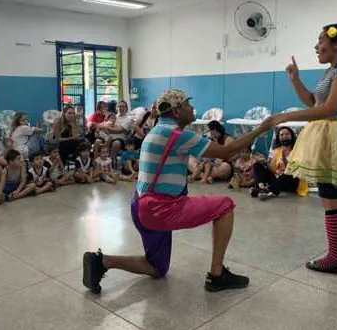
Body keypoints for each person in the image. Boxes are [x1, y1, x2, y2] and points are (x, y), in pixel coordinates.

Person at [82, 89, 272, 294]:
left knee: (157, 268)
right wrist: (262, 128)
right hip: (162, 208)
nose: (193, 108)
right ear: (176, 111)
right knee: (225, 205)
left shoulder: (157, 130)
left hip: (140, 205)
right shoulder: (177, 134)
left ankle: (102, 261)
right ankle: (217, 275)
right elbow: (226, 151)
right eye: (188, 105)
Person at [265, 24, 337, 274]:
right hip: (327, 133)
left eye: (320, 41)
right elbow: (313, 102)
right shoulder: (334, 70)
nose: (316, 46)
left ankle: (335, 257)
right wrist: (295, 79)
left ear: (336, 44)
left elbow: (329, 109)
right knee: (335, 196)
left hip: (336, 134)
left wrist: (285, 117)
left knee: (330, 196)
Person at [250, 126, 308, 200]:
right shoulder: (276, 151)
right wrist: (265, 162)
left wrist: (285, 161)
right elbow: (272, 169)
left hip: (291, 182)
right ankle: (261, 187)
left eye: (287, 134)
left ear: (292, 136)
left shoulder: (297, 150)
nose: (284, 136)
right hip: (277, 179)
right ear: (279, 138)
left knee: (288, 173)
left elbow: (297, 170)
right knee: (257, 165)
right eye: (281, 135)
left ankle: (268, 189)